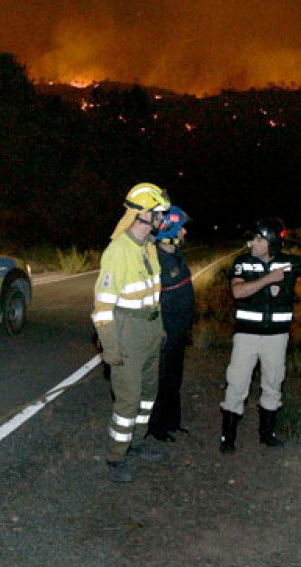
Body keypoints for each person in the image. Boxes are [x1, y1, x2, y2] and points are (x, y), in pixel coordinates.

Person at [219, 217, 301, 454]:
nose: (253, 243)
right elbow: (238, 291)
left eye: (258, 239)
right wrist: (267, 280)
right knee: (237, 384)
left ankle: (267, 434)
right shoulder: (242, 262)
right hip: (247, 336)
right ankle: (228, 437)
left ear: (272, 243)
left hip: (277, 337)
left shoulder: (288, 263)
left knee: (273, 383)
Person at [91, 182, 171, 483]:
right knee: (128, 400)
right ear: (142, 215)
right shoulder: (118, 251)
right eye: (158, 214)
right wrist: (109, 346)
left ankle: (137, 443)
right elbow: (102, 305)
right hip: (127, 333)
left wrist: (159, 329)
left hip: (149, 330)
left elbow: (154, 294)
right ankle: (116, 455)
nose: (162, 220)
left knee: (148, 394)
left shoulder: (149, 247)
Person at [147, 206, 194, 442]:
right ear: (168, 229)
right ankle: (156, 428)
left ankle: (172, 422)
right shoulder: (155, 260)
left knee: (174, 378)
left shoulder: (175, 254)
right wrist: (160, 329)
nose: (185, 231)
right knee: (161, 380)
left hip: (179, 331)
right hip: (165, 331)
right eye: (181, 227)